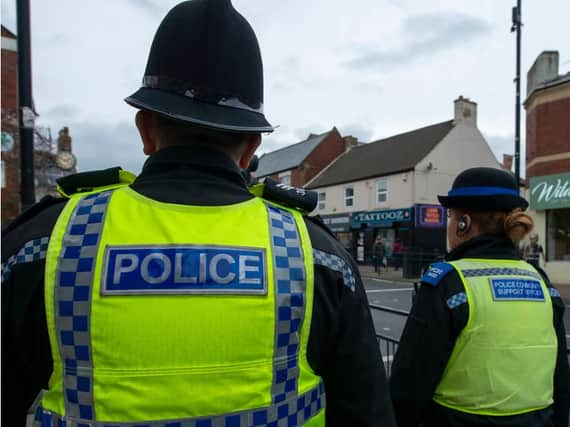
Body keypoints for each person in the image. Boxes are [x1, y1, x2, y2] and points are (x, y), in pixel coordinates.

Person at [1, 1, 396, 426]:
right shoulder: (317, 257)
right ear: (250, 149)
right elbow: (368, 413)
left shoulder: (45, 247)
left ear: (145, 130)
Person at [390, 167, 570, 427]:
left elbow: (410, 382)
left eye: (451, 217)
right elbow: (560, 377)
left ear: (464, 223)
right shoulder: (540, 280)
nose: (449, 225)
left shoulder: (448, 281)